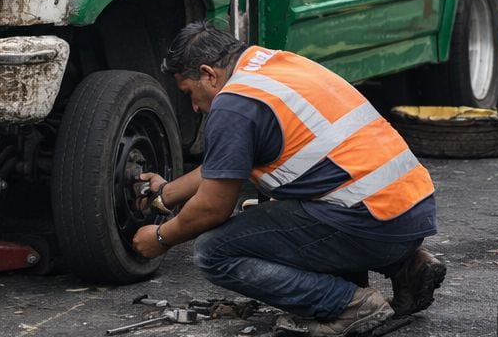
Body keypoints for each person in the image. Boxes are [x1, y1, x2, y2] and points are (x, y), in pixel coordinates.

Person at [131, 23, 446, 337]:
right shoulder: (274, 64)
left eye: (190, 93)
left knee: (214, 252)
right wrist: (164, 194)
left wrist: (161, 237)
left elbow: (213, 208)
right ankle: (406, 267)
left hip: (370, 222)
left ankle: (347, 305)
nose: (195, 107)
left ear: (209, 74)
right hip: (409, 214)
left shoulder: (234, 104)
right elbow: (224, 164)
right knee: (278, 211)